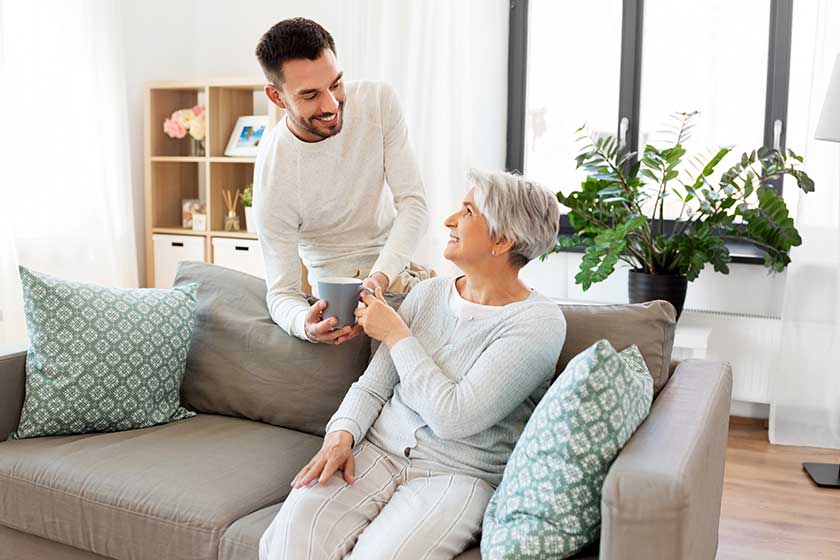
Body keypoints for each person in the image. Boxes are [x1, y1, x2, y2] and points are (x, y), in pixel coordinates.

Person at [259, 170, 566, 560]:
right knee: (287, 540)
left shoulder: (538, 324)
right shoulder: (427, 294)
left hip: (458, 476)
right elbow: (373, 387)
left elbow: (454, 418)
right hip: (374, 454)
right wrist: (341, 436)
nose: (449, 220)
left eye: (468, 212)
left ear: (502, 240)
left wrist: (397, 335)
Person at [253, 17, 429, 345]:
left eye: (335, 84)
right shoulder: (274, 172)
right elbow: (281, 293)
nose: (331, 105)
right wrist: (303, 325)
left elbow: (414, 205)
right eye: (310, 96)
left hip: (399, 279)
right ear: (277, 98)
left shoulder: (378, 102)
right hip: (340, 304)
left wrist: (381, 276)